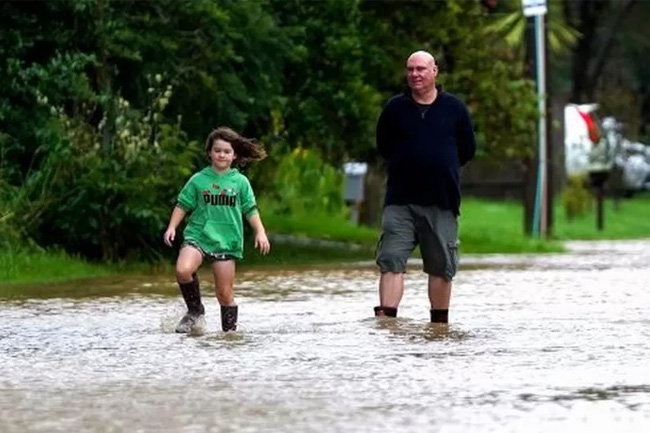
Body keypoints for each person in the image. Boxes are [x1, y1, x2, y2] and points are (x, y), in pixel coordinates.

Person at [374, 50, 476, 323]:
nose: (415, 74)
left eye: (421, 69)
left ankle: (439, 325)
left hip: (441, 201)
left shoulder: (454, 109)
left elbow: (467, 149)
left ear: (434, 72)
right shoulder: (395, 108)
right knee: (391, 259)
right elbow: (384, 146)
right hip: (400, 200)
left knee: (441, 266)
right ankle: (387, 323)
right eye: (410, 69)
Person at [163, 126, 270, 333]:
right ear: (209, 153)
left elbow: (250, 209)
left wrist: (260, 231)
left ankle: (229, 336)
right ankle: (195, 311)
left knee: (224, 295)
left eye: (227, 151)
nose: (222, 154)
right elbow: (182, 204)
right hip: (198, 236)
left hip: (226, 241)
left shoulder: (240, 182)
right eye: (217, 150)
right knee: (183, 269)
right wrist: (172, 227)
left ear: (234, 155)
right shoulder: (198, 180)